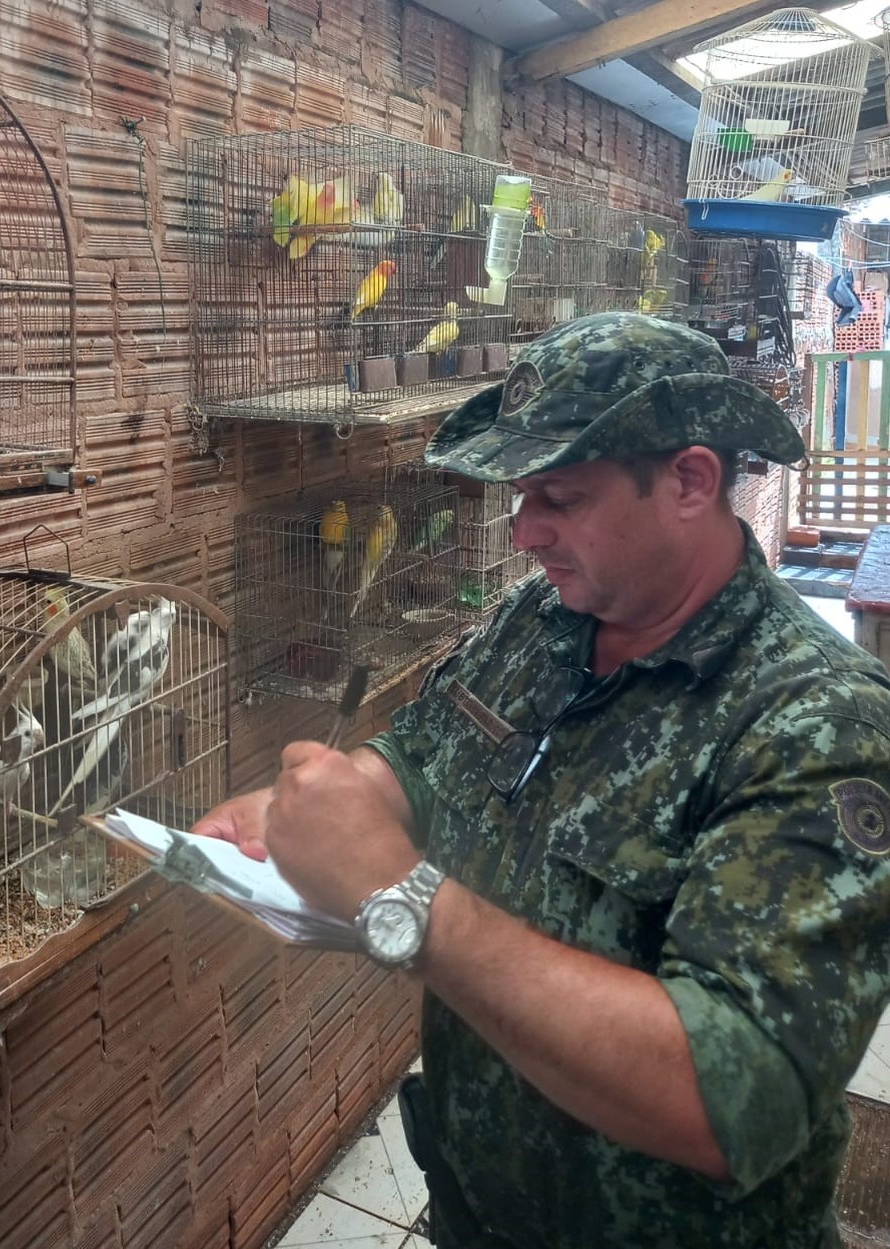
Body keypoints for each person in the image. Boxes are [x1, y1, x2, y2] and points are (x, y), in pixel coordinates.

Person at [193, 312, 890, 1248]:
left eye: (559, 496)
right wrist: (322, 803)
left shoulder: (818, 720)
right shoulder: (541, 620)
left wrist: (410, 904)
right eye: (522, 496)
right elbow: (426, 752)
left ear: (691, 480)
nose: (524, 533)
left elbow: (735, 1096)